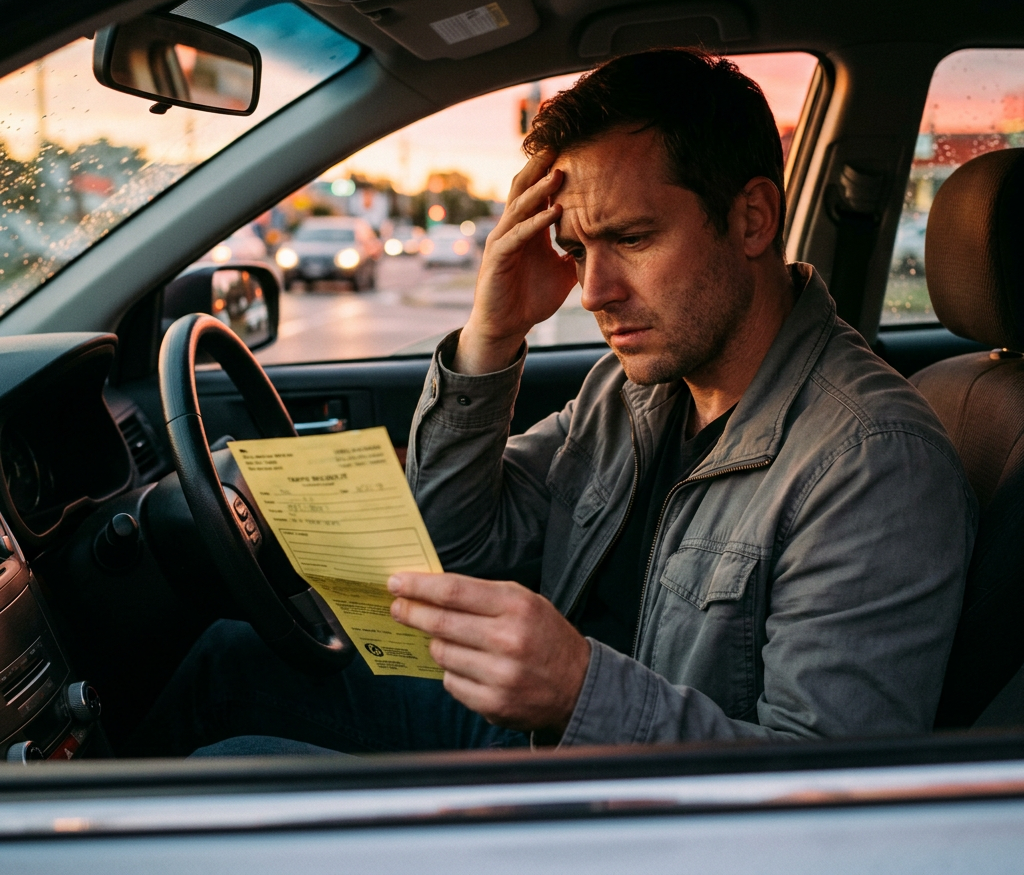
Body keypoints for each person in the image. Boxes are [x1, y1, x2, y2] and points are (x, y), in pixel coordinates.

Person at [133, 49, 976, 757]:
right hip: (554, 743)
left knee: (236, 761)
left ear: (752, 218)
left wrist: (579, 689)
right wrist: (491, 334)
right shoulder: (637, 388)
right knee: (229, 663)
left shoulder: (870, 460)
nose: (595, 290)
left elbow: (826, 799)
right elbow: (461, 541)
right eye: (576, 248)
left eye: (633, 239)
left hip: (631, 808)